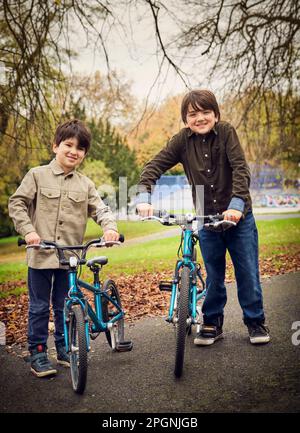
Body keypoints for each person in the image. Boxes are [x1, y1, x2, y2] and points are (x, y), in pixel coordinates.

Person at [136, 89, 270, 346]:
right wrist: (144, 198)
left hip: (238, 218)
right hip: (207, 219)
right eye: (193, 114)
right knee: (213, 275)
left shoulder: (227, 132)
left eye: (205, 112)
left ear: (215, 114)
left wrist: (237, 204)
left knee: (248, 273)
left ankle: (255, 321)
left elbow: (241, 168)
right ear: (186, 119)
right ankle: (212, 322)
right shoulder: (181, 141)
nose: (200, 118)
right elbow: (154, 165)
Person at [9, 119, 120, 377]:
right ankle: (37, 352)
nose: (74, 151)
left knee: (64, 304)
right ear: (55, 146)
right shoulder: (36, 175)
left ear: (84, 154)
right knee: (39, 306)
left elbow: (101, 209)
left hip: (70, 258)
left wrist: (109, 227)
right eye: (68, 145)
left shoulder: (86, 184)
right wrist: (29, 231)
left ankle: (63, 347)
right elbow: (17, 204)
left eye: (80, 148)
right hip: (40, 255)